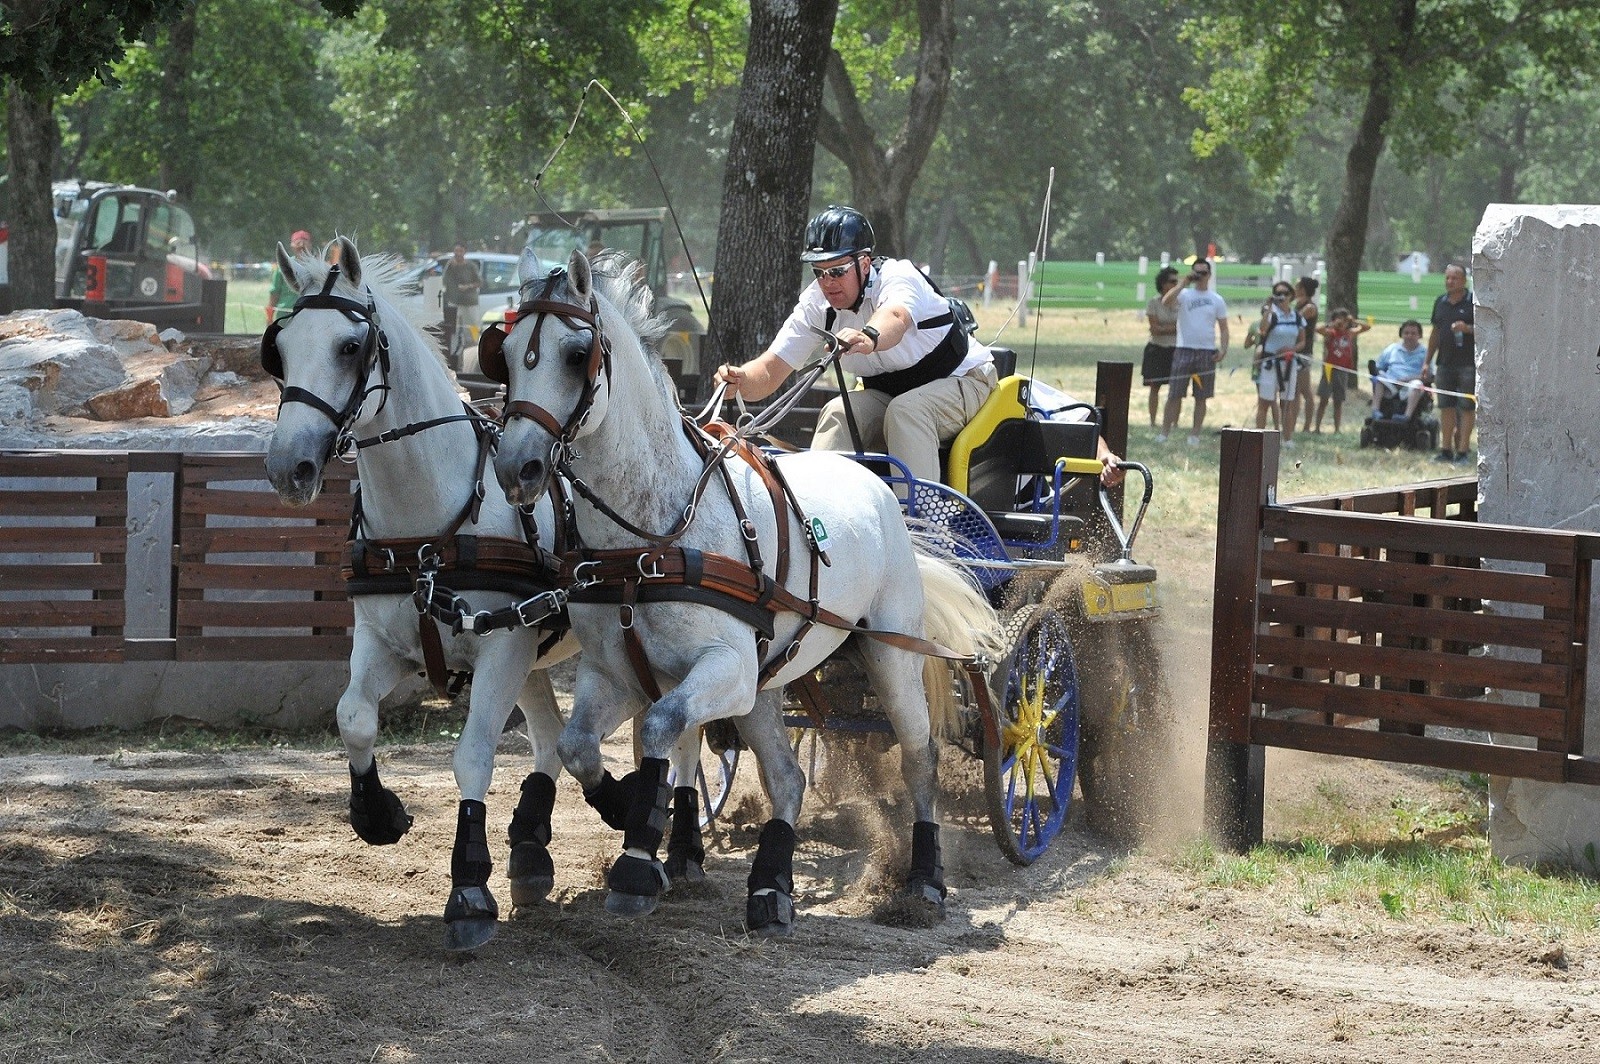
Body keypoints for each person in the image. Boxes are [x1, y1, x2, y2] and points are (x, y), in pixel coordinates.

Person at [714, 205, 1123, 487]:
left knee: (907, 413)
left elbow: (895, 318)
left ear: (864, 262)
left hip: (966, 382)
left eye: (837, 270)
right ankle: (820, 516)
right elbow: (769, 371)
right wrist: (738, 381)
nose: (827, 282)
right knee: (838, 411)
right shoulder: (816, 305)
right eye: (819, 272)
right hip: (891, 393)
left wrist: (867, 337)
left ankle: (923, 531)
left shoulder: (899, 276)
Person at [1157, 257, 1229, 445]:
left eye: (1203, 273)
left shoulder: (1216, 299)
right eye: (1197, 272)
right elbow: (1166, 301)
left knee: (1201, 396)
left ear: (1209, 275)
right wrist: (1183, 283)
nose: (1200, 276)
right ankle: (1164, 433)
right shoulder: (1184, 294)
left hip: (1206, 351)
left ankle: (1194, 435)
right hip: (1184, 349)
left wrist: (1223, 349)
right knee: (1174, 393)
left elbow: (1224, 327)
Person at [1427, 263, 1475, 463]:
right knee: (1445, 407)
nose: (1450, 281)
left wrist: (1467, 329)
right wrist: (1427, 362)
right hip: (1444, 364)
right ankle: (1445, 449)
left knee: (1467, 407)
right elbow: (1435, 333)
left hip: (1468, 365)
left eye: (1454, 278)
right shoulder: (1440, 302)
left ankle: (1463, 451)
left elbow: (1486, 330)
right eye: (1447, 278)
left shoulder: (1473, 302)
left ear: (1464, 280)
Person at [1254, 282, 1305, 445]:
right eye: (1278, 293)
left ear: (1291, 295)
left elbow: (1302, 341)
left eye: (1285, 293)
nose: (1282, 296)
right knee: (1264, 402)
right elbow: (1262, 330)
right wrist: (1268, 308)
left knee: (1287, 402)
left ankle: (1287, 439)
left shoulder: (1297, 317)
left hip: (1289, 363)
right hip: (1270, 363)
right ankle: (1259, 438)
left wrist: (1291, 349)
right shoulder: (1271, 315)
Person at [1312, 307, 1370, 434]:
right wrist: (1332, 324)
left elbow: (1367, 327)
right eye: (1339, 320)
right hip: (1329, 369)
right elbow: (1318, 329)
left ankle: (1337, 429)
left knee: (1338, 400)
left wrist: (1354, 321)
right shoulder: (1331, 333)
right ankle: (1317, 427)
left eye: (1344, 320)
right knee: (1324, 399)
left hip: (1343, 370)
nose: (1342, 323)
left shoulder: (1349, 333)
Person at [1141, 266, 1180, 428]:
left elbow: (1183, 327)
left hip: (1176, 350)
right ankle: (1152, 421)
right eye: (1173, 281)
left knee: (1176, 389)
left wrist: (1165, 328)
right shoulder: (1153, 303)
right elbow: (1155, 329)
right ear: (1163, 284)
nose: (1176, 285)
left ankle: (1174, 423)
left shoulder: (1182, 302)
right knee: (1154, 386)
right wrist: (1175, 327)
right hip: (1156, 349)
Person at [1371, 320, 1428, 421]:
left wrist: (1406, 380)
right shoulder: (1392, 349)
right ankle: (1375, 411)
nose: (1409, 336)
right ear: (1401, 334)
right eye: (1406, 333)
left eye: (1413, 333)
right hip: (1391, 383)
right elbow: (1379, 367)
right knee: (1380, 379)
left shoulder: (1424, 353)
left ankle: (1407, 416)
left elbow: (1428, 375)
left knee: (1417, 385)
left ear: (1419, 335)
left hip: (1411, 384)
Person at [441, 243, 482, 369]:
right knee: (456, 328)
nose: (458, 254)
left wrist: (468, 286)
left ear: (464, 252)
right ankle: (457, 351)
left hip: (469, 302)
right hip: (455, 302)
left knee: (473, 326)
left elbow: (479, 282)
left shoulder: (471, 266)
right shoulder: (450, 266)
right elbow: (444, 281)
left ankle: (475, 346)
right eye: (456, 251)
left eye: (460, 251)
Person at [265, 230, 312, 322]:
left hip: (309, 315)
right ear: (292, 246)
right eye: (298, 244)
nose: (301, 246)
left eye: (304, 243)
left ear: (310, 245)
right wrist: (269, 318)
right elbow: (274, 293)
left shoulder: (316, 268)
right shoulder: (284, 266)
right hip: (285, 316)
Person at [1293, 277, 1320, 431]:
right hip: (1295, 351)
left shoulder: (1309, 307)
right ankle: (1293, 422)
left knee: (1305, 390)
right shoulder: (1298, 305)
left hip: (1304, 352)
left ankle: (1307, 425)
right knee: (1295, 390)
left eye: (1297, 286)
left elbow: (1295, 321)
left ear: (1303, 289)